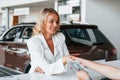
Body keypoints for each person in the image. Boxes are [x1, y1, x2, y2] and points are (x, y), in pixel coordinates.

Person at [27, 8, 73, 75]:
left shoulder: (60, 37)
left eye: (57, 22)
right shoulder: (33, 42)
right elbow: (47, 69)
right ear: (42, 22)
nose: (55, 25)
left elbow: (69, 64)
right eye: (51, 21)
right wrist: (63, 61)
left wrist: (49, 68)